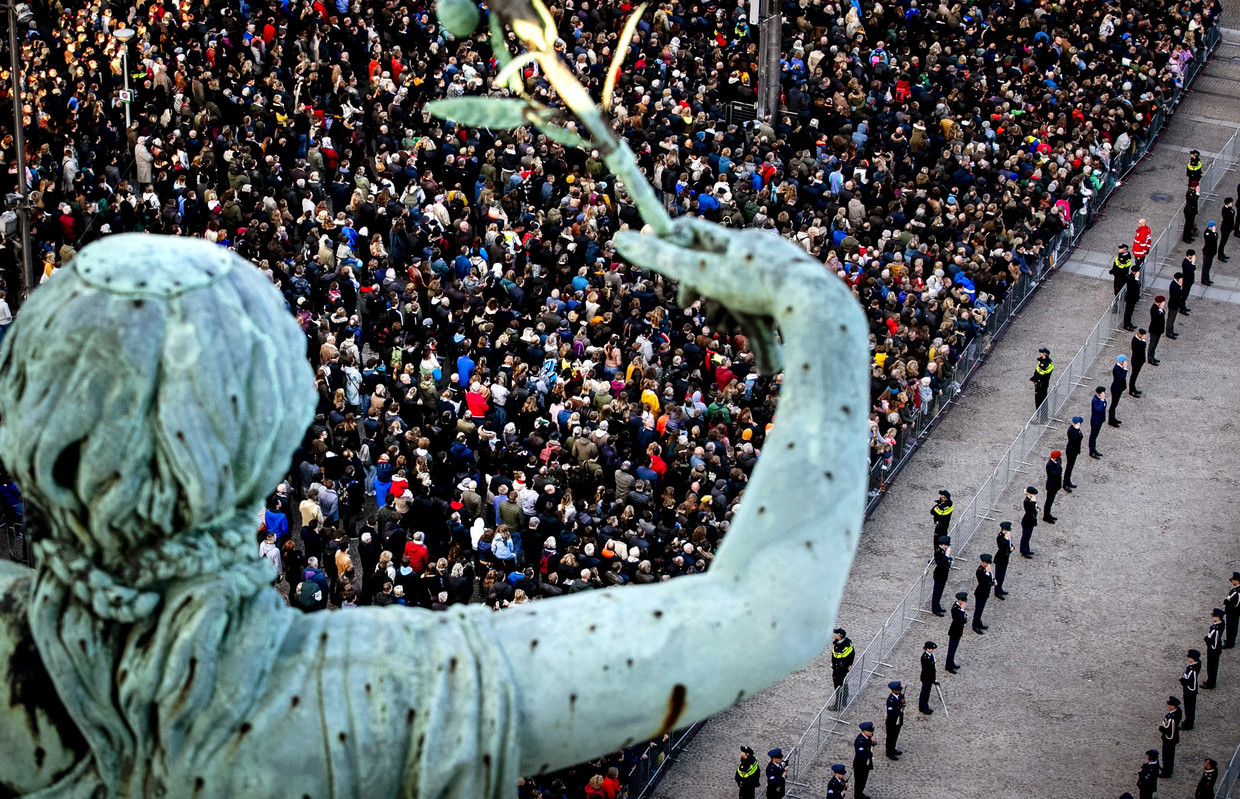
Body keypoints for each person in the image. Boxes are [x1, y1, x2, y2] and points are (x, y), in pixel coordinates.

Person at [831, 628, 855, 709]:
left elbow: (838, 657)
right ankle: (844, 701)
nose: (834, 634)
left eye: (836, 634)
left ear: (840, 636)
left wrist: (836, 665)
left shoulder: (842, 647)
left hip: (840, 669)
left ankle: (838, 704)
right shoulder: (846, 642)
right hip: (841, 667)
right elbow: (852, 654)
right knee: (844, 683)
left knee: (838, 685)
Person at [945, 592, 968, 673]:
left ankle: (951, 662)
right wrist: (962, 610)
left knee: (954, 649)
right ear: (960, 601)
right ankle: (948, 666)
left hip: (958, 631)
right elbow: (957, 620)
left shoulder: (959, 607)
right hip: (954, 631)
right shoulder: (955, 608)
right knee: (951, 650)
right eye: (964, 601)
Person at [972, 554, 995, 634]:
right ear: (984, 562)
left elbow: (990, 578)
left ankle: (979, 623)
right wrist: (987, 573)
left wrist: (993, 581)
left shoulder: (986, 568)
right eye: (988, 563)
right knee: (978, 610)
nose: (989, 564)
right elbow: (982, 583)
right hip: (980, 593)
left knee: (980, 610)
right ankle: (975, 626)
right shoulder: (980, 571)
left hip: (985, 592)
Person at [1159, 696, 1181, 777]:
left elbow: (1169, 731)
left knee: (1167, 755)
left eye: (1169, 705)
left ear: (1173, 706)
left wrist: (1161, 728)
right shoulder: (1178, 712)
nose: (1168, 706)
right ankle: (1167, 768)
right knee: (1169, 755)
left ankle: (1167, 771)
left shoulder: (1172, 718)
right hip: (1173, 738)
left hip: (1169, 739)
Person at [852, 723, 875, 799]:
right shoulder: (859, 741)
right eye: (870, 731)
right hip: (860, 765)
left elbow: (872, 743)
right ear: (865, 731)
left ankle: (860, 793)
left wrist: (873, 742)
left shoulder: (868, 737)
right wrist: (870, 752)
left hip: (866, 764)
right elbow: (861, 755)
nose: (872, 732)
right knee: (859, 781)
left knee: (864, 780)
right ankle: (858, 795)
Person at [931, 536, 952, 616]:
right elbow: (940, 564)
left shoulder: (942, 550)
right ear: (943, 545)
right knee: (937, 592)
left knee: (940, 592)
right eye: (946, 545)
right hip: (939, 575)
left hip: (943, 574)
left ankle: (938, 605)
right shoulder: (938, 551)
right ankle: (935, 609)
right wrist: (946, 556)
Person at [1179, 650, 1201, 731]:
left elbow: (1191, 682)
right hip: (1190, 691)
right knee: (1189, 708)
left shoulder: (1192, 670)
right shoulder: (1197, 664)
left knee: (1189, 708)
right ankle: (1188, 722)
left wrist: (1182, 680)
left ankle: (1189, 724)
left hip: (1190, 692)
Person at [1204, 608, 1224, 689]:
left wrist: (1208, 642)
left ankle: (1211, 683)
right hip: (1215, 649)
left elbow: (1214, 642)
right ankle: (1210, 681)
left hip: (1213, 650)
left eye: (1214, 616)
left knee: (1212, 667)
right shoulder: (1221, 623)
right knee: (1212, 666)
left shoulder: (1216, 628)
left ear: (1218, 617)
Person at [884, 682, 905, 760]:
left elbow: (902, 702)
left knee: (895, 735)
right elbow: (890, 713)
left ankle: (893, 748)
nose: (899, 691)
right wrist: (900, 711)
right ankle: (889, 752)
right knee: (890, 737)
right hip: (892, 721)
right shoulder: (890, 700)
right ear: (893, 690)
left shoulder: (899, 696)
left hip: (898, 720)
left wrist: (903, 702)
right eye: (898, 690)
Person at [1031, 348, 1054, 417]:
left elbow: (1040, 374)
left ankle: (1041, 417)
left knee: (1039, 400)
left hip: (1041, 384)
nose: (1040, 353)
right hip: (1043, 384)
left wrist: (1034, 379)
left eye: (1041, 352)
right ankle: (1043, 416)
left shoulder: (1044, 364)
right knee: (1043, 400)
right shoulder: (1048, 362)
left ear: (1044, 354)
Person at [994, 523, 1013, 599]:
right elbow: (1001, 548)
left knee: (1002, 576)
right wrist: (1006, 539)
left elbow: (1010, 544)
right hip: (1000, 559)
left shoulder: (1007, 537)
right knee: (999, 576)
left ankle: (1000, 588)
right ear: (1004, 530)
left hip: (1005, 558)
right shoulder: (1000, 537)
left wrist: (1011, 548)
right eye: (1007, 530)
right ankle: (997, 592)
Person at [918, 642, 938, 714]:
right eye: (932, 649)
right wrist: (933, 680)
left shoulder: (931, 655)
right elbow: (927, 671)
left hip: (930, 677)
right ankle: (923, 707)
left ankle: (925, 705)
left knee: (927, 693)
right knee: (924, 693)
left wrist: (934, 678)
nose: (933, 650)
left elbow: (933, 668)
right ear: (927, 649)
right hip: (926, 678)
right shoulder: (925, 658)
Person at [1064, 418, 1084, 491]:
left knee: (1070, 467)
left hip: (1075, 451)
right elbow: (1075, 438)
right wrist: (1076, 430)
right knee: (1068, 468)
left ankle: (1068, 481)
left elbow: (1081, 436)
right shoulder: (1071, 430)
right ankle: (1065, 484)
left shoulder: (1076, 430)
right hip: (1071, 451)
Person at [1108, 356, 1128, 427]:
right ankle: (1111, 421)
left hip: (1119, 388)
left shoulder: (1119, 367)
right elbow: (1121, 377)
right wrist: (1125, 369)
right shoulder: (1116, 369)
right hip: (1116, 389)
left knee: (1115, 404)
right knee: (1113, 405)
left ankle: (1113, 418)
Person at [1020, 486, 1039, 558]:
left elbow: (1035, 508)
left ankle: (1027, 549)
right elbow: (1030, 511)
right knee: (1025, 537)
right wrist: (1033, 502)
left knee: (1028, 537)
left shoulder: (1030, 500)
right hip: (1027, 522)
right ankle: (1024, 551)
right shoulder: (1027, 501)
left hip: (1030, 521)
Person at [1044, 452, 1062, 523]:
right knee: (1049, 501)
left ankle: (1048, 514)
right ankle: (1046, 516)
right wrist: (1059, 466)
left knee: (1051, 501)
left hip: (1055, 485)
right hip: (1051, 486)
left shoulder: (1055, 463)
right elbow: (1054, 474)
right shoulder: (1050, 465)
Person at [1089, 388, 1107, 458]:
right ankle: (1092, 451)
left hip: (1100, 420)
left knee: (1095, 436)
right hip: (1095, 421)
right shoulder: (1095, 400)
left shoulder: (1101, 399)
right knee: (1093, 436)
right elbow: (1099, 409)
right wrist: (1102, 400)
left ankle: (1094, 450)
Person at [1122, 264, 1142, 331]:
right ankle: (1126, 325)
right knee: (1128, 312)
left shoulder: (1134, 278)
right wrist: (1136, 279)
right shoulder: (1131, 278)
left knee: (1130, 311)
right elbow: (1135, 286)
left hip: (1133, 298)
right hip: (1130, 298)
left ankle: (1129, 323)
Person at [1129, 330, 1147, 398]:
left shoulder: (1139, 340)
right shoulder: (1134, 341)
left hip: (1140, 360)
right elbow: (1139, 350)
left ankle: (1134, 388)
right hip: (1136, 361)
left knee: (1135, 376)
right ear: (1139, 334)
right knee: (1133, 376)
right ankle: (1131, 391)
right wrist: (1143, 341)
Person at [1148, 297, 1166, 365]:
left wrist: (1161, 310)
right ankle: (1150, 358)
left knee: (1155, 345)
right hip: (1154, 330)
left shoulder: (1158, 309)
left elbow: (1163, 313)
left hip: (1158, 330)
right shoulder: (1154, 309)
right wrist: (1161, 309)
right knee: (1152, 345)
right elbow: (1156, 318)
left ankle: (1152, 357)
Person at [1224, 571, 1240, 648]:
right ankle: (1229, 640)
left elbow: (1236, 604)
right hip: (1231, 612)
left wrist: (1227, 603)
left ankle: (1230, 643)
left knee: (1232, 628)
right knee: (1229, 627)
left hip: (1233, 613)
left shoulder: (1238, 592)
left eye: (1233, 579)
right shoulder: (1236, 589)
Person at [1167, 275, 1186, 339]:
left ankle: (1171, 331)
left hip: (1175, 304)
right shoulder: (1173, 285)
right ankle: (1168, 332)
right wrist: (1180, 286)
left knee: (1173, 319)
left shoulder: (1175, 284)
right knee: (1171, 319)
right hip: (1173, 304)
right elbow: (1177, 294)